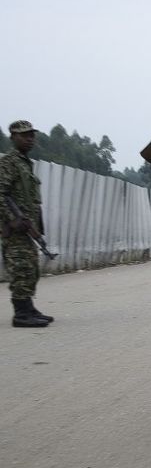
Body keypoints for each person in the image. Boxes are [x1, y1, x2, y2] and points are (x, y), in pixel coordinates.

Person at [0, 120, 53, 328]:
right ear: (13, 137)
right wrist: (13, 219)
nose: (30, 139)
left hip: (26, 227)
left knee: (31, 268)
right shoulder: (9, 163)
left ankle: (28, 308)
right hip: (14, 228)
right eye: (24, 135)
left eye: (32, 135)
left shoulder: (24, 163)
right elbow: (1, 193)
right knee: (21, 268)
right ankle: (21, 314)